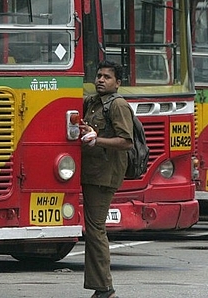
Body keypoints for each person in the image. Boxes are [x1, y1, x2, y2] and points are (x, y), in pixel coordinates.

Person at [80, 60, 133, 298]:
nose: (101, 80)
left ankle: (105, 289)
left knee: (95, 229)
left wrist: (96, 140)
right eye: (99, 76)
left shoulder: (118, 105)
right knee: (92, 229)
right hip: (90, 171)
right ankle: (101, 288)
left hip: (104, 175)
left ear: (117, 83)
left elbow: (126, 141)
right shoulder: (92, 103)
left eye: (107, 77)